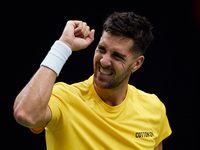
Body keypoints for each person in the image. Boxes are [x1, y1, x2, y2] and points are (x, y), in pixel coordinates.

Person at [13, 12, 172, 150]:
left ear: (137, 64)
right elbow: (25, 114)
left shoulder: (154, 108)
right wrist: (63, 46)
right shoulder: (65, 97)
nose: (104, 61)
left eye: (117, 56)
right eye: (101, 49)